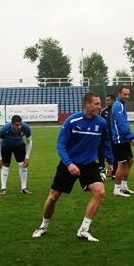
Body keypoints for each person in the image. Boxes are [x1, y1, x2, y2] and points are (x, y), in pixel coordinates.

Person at [32, 92, 114, 242]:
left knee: (100, 192)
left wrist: (111, 161)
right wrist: (69, 163)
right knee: (53, 197)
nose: (99, 106)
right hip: (69, 163)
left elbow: (105, 143)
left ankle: (84, 229)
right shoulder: (71, 121)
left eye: (99, 103)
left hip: (89, 164)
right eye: (96, 104)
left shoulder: (101, 123)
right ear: (86, 104)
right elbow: (60, 145)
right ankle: (43, 226)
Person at [111, 85, 134, 197]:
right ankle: (117, 189)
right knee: (121, 164)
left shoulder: (121, 105)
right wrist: (131, 137)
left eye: (128, 94)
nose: (126, 96)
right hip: (120, 139)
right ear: (119, 94)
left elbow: (124, 123)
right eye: (124, 94)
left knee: (130, 161)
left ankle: (123, 186)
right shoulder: (117, 106)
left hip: (124, 139)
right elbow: (121, 124)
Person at [0, 115, 33, 195]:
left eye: (20, 124)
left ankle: (24, 188)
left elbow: (29, 141)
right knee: (5, 166)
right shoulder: (5, 129)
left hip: (19, 146)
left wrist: (27, 157)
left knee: (23, 164)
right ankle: (3, 189)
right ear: (12, 124)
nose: (19, 126)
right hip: (6, 146)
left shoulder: (26, 127)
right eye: (17, 125)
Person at [98, 94, 117, 179]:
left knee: (114, 153)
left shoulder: (117, 110)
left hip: (114, 136)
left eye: (108, 100)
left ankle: (114, 172)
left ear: (113, 100)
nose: (106, 102)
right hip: (105, 136)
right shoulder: (103, 111)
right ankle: (101, 168)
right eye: (106, 100)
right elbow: (99, 123)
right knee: (101, 151)